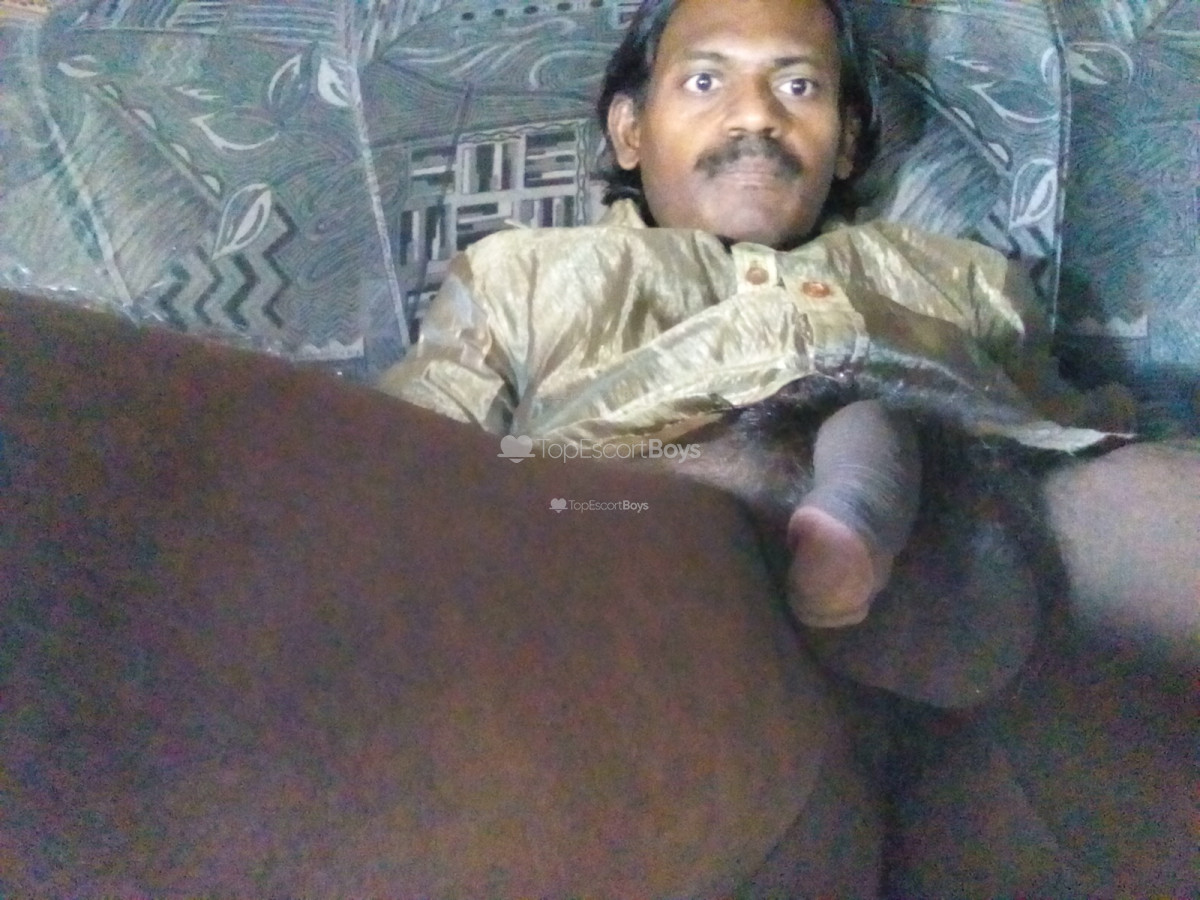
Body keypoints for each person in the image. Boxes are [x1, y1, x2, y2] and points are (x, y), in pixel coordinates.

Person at [380, 0, 1194, 650]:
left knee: (1148, 497)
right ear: (630, 131)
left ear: (847, 146)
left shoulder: (966, 279)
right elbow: (405, 458)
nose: (755, 118)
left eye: (799, 87)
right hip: (639, 524)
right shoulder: (518, 275)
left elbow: (1066, 433)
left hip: (960, 517)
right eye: (706, 81)